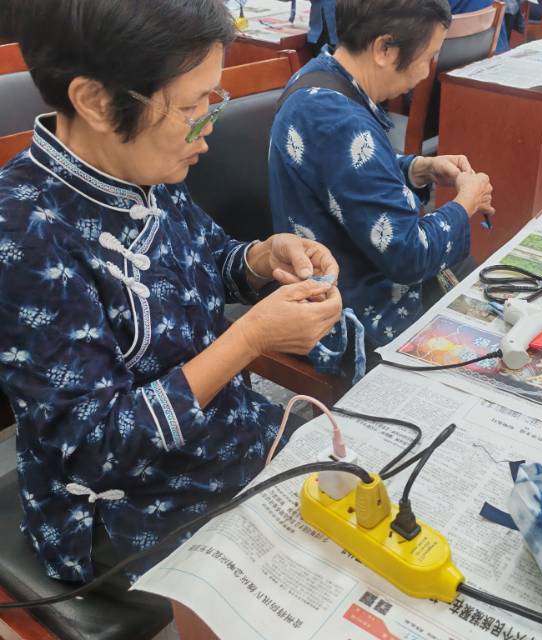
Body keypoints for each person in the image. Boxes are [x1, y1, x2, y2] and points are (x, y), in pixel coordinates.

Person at [0, 0, 342, 583]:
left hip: (224, 436)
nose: (207, 127)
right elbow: (96, 450)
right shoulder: (23, 234)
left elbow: (206, 260)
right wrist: (251, 338)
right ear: (96, 102)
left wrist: (262, 258)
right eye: (190, 107)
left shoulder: (138, 164)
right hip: (126, 510)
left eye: (212, 99)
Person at [268, 0, 494, 352]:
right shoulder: (337, 120)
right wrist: (466, 203)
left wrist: (416, 168)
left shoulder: (321, 75)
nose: (426, 71)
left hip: (356, 274)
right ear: (384, 49)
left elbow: (345, 178)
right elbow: (410, 257)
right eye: (427, 57)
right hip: (351, 315)